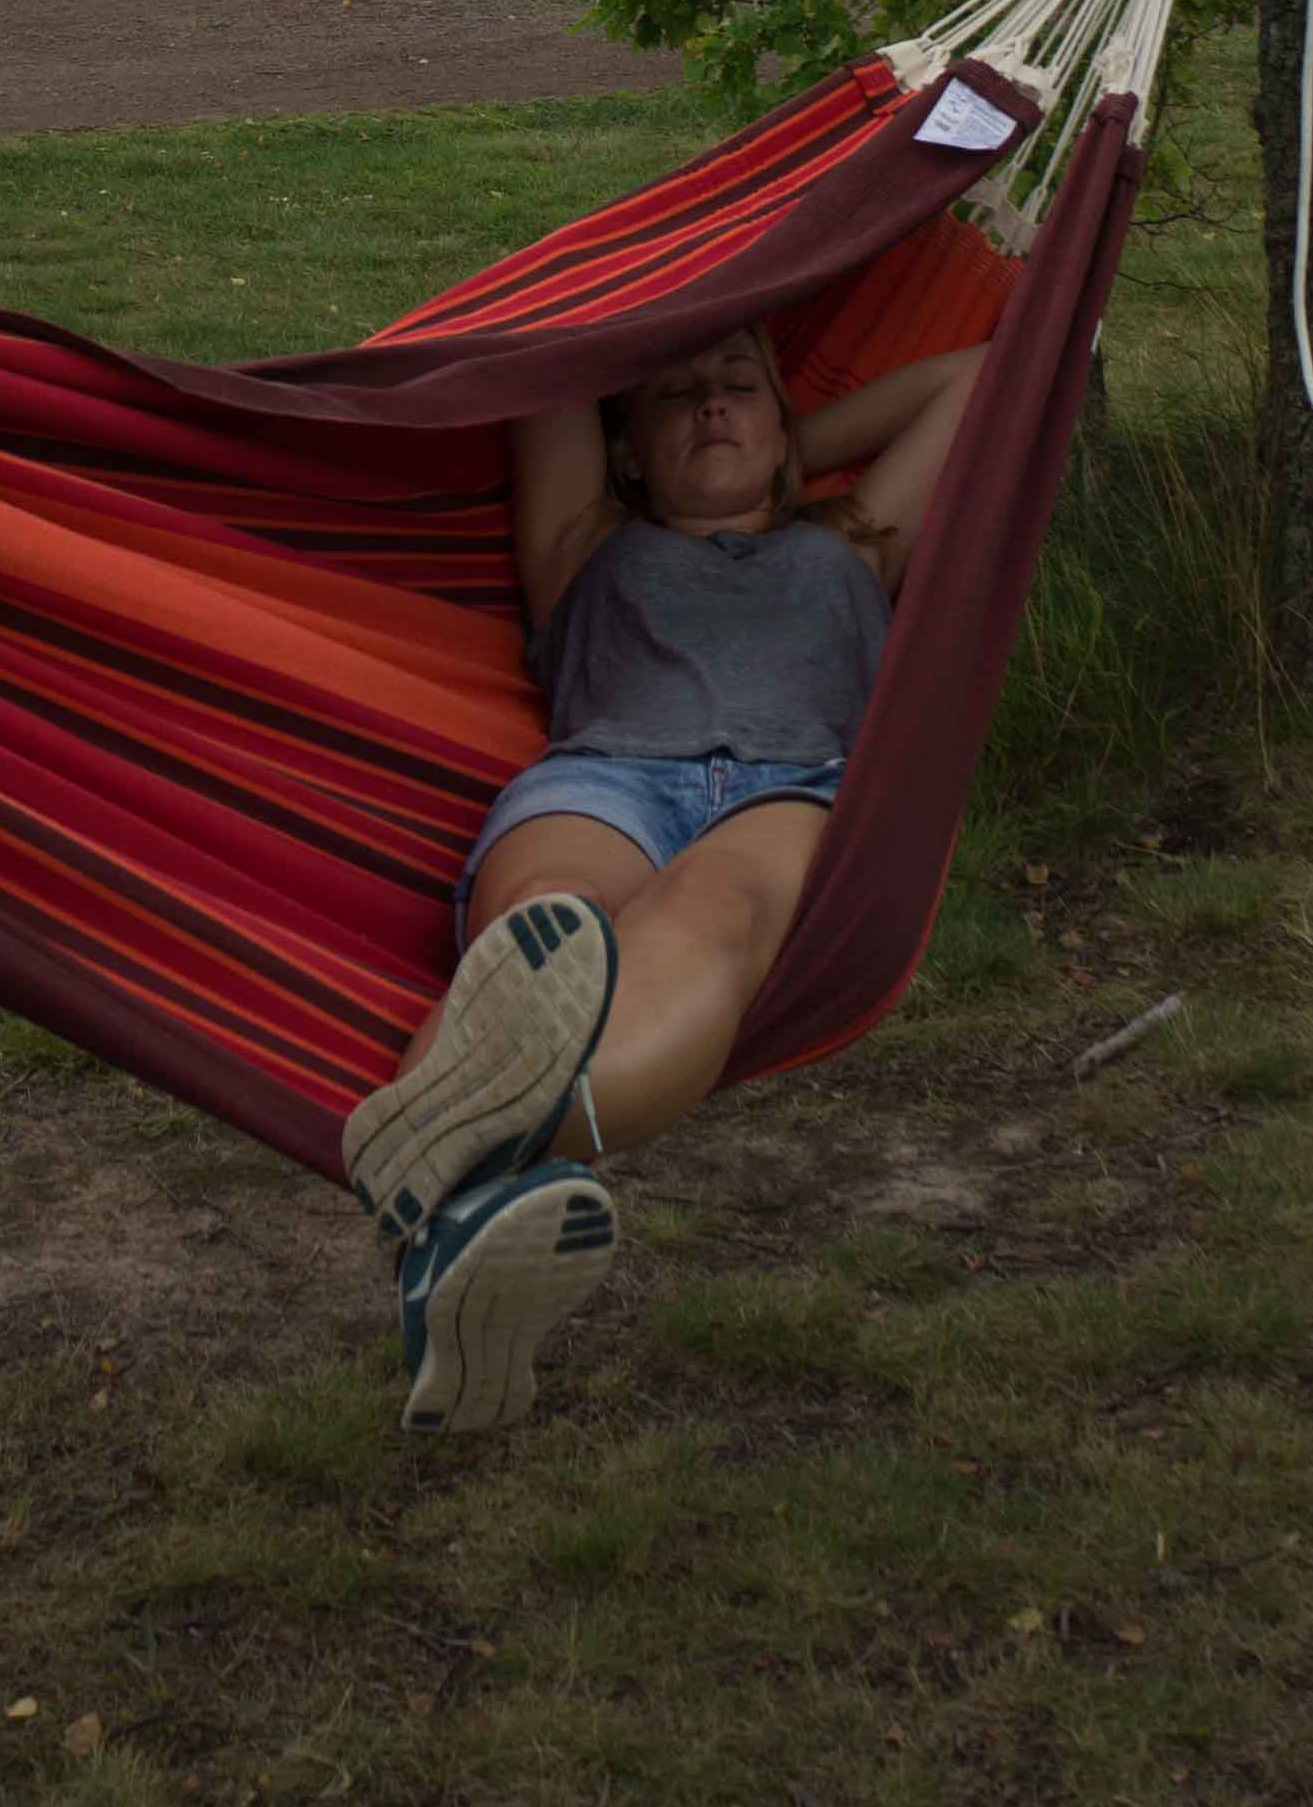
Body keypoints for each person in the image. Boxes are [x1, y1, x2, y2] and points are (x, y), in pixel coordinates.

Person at [340, 317, 986, 1433]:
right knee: (545, 929)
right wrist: (735, 418)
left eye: (738, 386)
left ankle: (448, 1171)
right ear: (627, 452)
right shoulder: (582, 540)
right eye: (678, 397)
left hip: (790, 790)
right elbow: (554, 344)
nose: (712, 405)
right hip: (605, 780)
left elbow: (980, 377)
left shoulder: (858, 542)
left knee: (711, 910)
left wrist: (784, 444)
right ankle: (467, 1214)